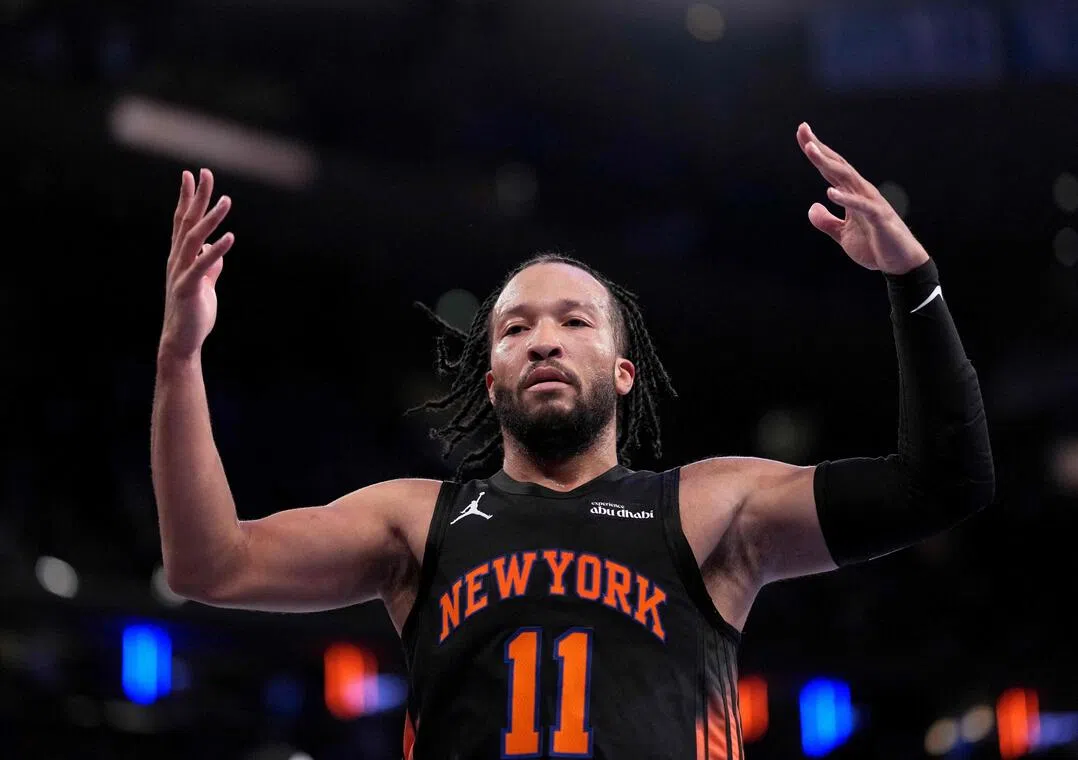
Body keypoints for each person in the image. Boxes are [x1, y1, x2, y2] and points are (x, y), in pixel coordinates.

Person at [151, 122, 994, 760]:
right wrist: (180, 357)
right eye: (515, 328)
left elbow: (944, 483)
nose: (544, 338)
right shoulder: (417, 522)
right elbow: (208, 565)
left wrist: (912, 282)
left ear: (623, 371)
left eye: (574, 320)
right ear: (492, 380)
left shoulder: (706, 508)